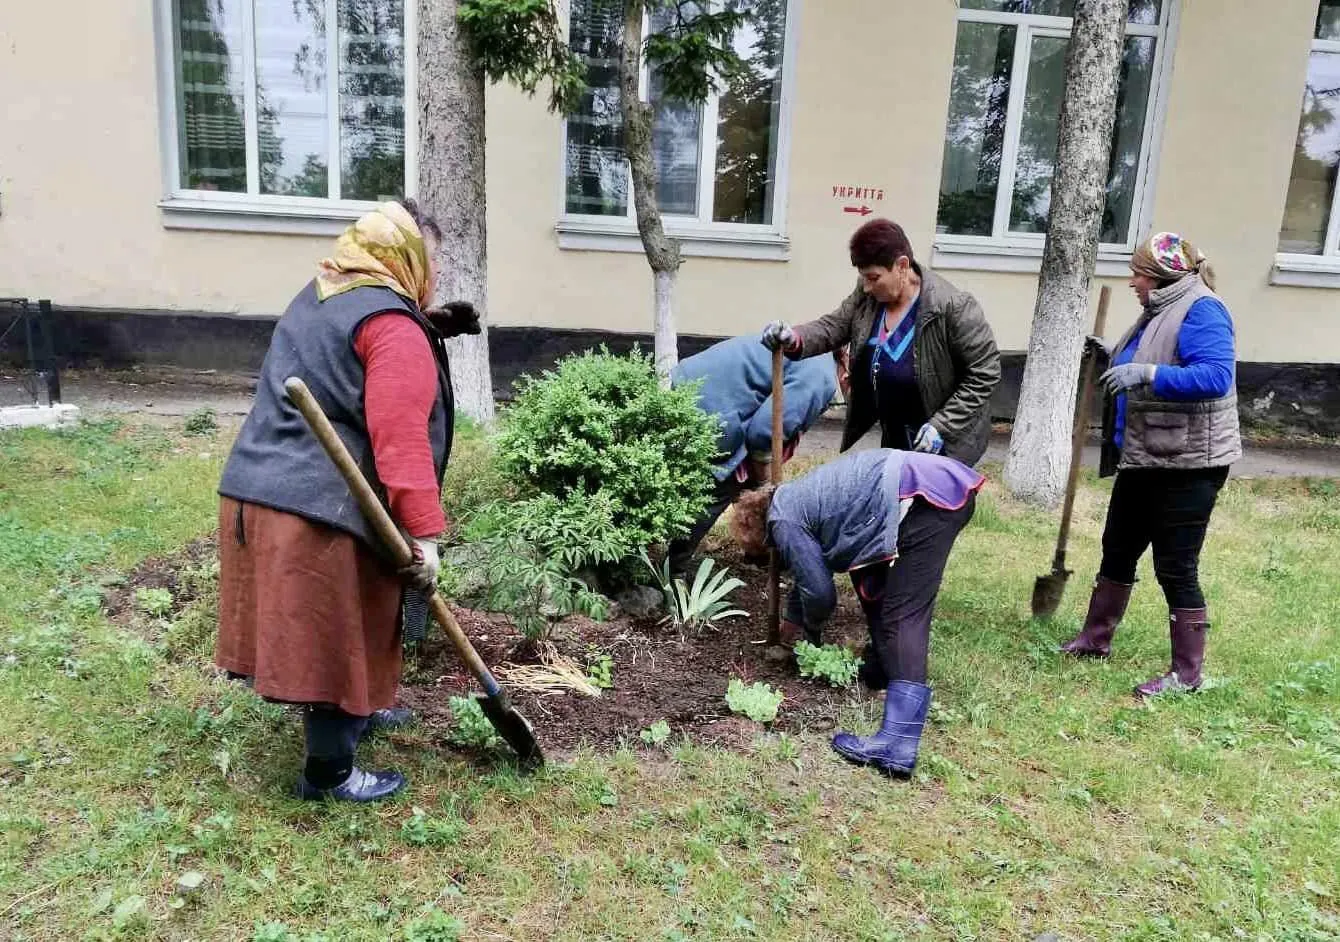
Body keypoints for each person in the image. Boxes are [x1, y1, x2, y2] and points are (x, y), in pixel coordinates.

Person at [215, 199, 480, 802]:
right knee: (338, 634)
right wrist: (426, 537)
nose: (433, 271)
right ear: (402, 256)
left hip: (258, 491)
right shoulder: (391, 327)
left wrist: (427, 325)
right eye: (429, 257)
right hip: (314, 509)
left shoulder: (322, 294)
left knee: (361, 617)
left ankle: (363, 706)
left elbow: (339, 357)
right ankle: (330, 775)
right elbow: (401, 441)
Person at [1060, 232, 1241, 698]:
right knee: (1117, 548)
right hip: (1146, 456)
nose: (1131, 281)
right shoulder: (1159, 309)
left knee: (1176, 565)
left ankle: (1187, 675)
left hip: (1188, 464)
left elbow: (1216, 376)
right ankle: (1095, 640)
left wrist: (1149, 374)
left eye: (1137, 272)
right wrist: (1109, 356)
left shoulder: (1202, 308)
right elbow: (1148, 356)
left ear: (1160, 275)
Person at [730, 448, 984, 777]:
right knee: (876, 594)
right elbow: (806, 576)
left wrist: (812, 634)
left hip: (924, 498)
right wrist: (789, 628)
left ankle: (897, 745)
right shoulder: (793, 500)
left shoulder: (782, 521)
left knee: (902, 613)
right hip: (929, 488)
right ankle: (881, 671)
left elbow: (819, 594)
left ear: (760, 535)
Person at [760, 218, 1000, 466]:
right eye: (863, 277)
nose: (866, 287)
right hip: (896, 431)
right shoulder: (870, 296)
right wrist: (794, 337)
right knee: (895, 497)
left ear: (902, 266)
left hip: (947, 439)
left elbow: (985, 373)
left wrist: (942, 426)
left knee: (932, 502)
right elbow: (836, 325)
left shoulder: (952, 307)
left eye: (873, 277)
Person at [667, 334, 839, 573]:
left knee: (745, 480)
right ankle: (673, 569)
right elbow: (763, 434)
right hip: (706, 410)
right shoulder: (821, 376)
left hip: (688, 386)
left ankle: (755, 552)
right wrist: (765, 484)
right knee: (722, 486)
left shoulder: (815, 355)